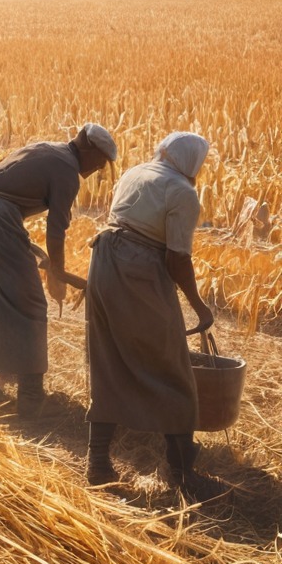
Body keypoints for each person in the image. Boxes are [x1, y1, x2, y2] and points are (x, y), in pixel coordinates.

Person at [85, 132, 219, 498]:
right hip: (138, 269)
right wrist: (199, 305)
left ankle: (97, 462)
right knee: (171, 365)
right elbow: (177, 258)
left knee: (108, 358)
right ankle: (179, 472)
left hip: (103, 260)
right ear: (193, 162)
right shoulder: (183, 192)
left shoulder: (135, 172)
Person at [0, 123, 117, 418]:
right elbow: (56, 232)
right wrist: (57, 273)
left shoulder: (50, 149)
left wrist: (37, 254)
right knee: (31, 302)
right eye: (98, 163)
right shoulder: (67, 170)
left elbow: (1, 181)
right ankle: (30, 396)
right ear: (87, 148)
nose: (97, 170)